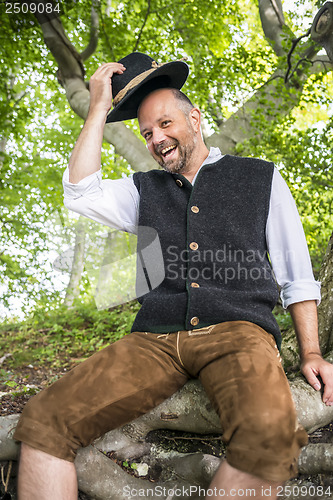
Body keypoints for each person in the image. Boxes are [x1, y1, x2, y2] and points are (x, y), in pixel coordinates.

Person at [14, 52, 333, 500]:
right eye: (147, 133)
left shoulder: (260, 178)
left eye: (165, 124)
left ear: (195, 119)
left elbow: (295, 275)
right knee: (44, 421)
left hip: (239, 333)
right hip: (153, 340)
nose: (157, 139)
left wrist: (312, 351)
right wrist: (99, 108)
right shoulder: (142, 189)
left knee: (268, 436)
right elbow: (80, 191)